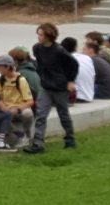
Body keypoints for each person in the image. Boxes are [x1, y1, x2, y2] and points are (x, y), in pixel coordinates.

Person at [24, 23, 79, 154]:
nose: (39, 37)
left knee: (63, 114)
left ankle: (70, 139)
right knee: (41, 115)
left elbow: (73, 64)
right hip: (46, 86)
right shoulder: (37, 48)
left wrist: (70, 81)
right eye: (38, 34)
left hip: (60, 87)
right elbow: (41, 64)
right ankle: (38, 144)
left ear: (49, 36)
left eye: (41, 35)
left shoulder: (59, 51)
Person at [0, 54, 35, 147]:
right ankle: (18, 133)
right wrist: (0, 107)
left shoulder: (21, 80)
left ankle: (27, 136)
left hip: (19, 110)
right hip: (6, 110)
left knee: (28, 114)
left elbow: (30, 101)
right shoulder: (1, 80)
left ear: (7, 67)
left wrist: (17, 109)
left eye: (0, 66)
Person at [61, 37, 94, 103]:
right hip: (89, 95)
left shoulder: (65, 60)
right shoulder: (87, 58)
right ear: (75, 47)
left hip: (77, 96)